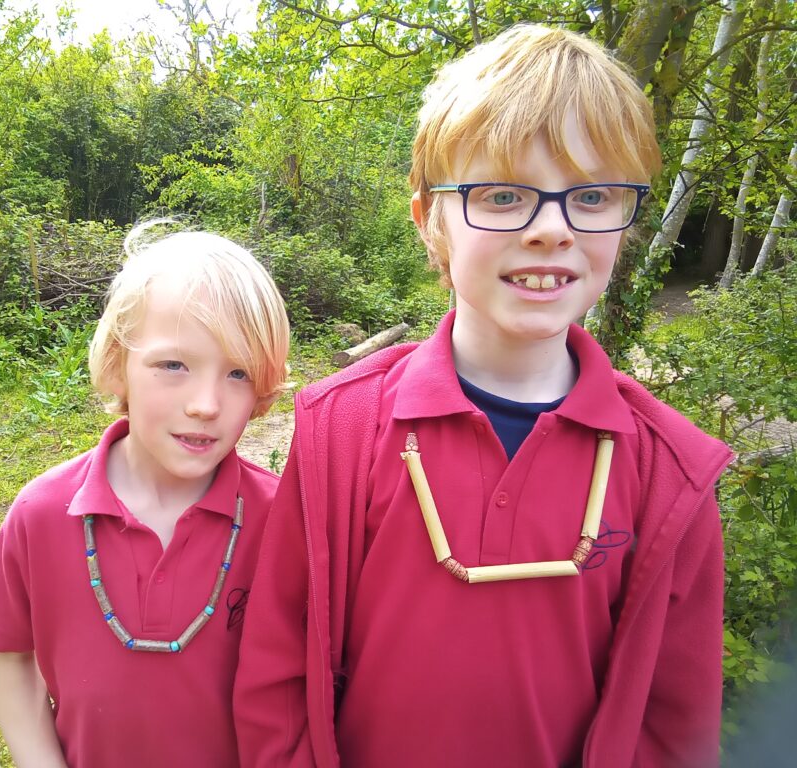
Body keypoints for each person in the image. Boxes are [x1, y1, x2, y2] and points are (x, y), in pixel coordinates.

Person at [234, 24, 732, 768]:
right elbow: (277, 673)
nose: (551, 229)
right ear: (429, 221)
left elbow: (673, 726)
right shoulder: (341, 429)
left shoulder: (672, 476)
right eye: (503, 195)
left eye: (591, 196)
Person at [0, 224, 290, 767]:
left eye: (238, 373)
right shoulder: (41, 515)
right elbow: (10, 655)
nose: (206, 404)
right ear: (116, 364)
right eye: (173, 365)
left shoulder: (281, 520)